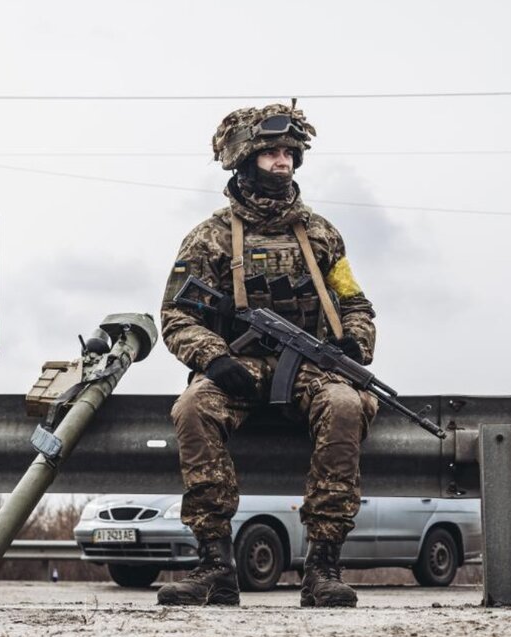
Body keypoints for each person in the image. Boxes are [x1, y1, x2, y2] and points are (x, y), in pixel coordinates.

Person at [157, 104, 378, 608]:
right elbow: (176, 314)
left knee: (346, 404)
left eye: (289, 153)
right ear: (244, 159)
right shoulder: (209, 237)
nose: (283, 161)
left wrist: (353, 342)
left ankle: (322, 567)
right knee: (193, 407)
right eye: (271, 152)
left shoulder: (321, 235)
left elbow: (355, 304)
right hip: (240, 365)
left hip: (311, 367)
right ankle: (215, 566)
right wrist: (214, 358)